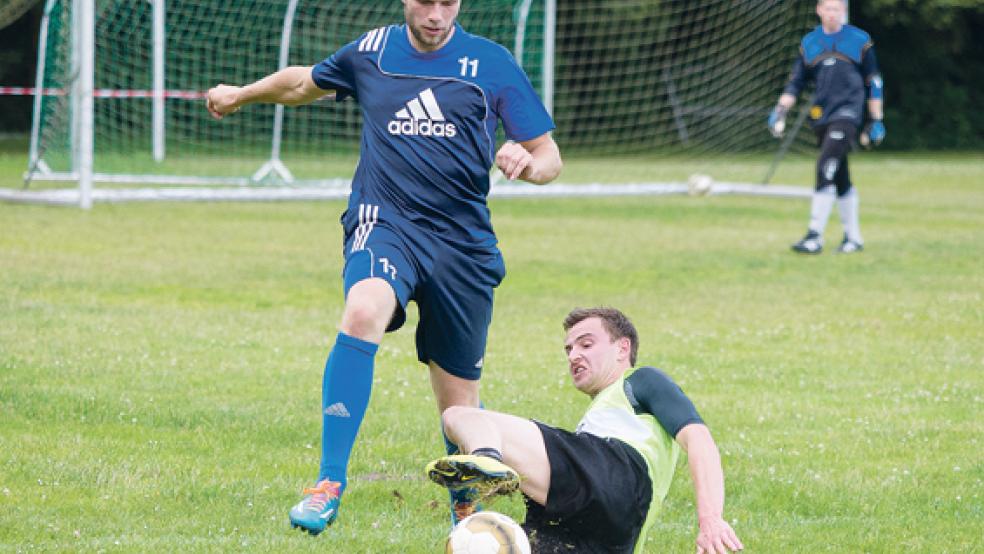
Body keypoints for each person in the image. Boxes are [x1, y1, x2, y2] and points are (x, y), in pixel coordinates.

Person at [205, 0, 563, 536]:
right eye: (426, 1)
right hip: (386, 221)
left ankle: (464, 513)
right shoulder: (372, 51)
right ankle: (327, 483)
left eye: (449, 2)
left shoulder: (491, 63)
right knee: (363, 309)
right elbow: (302, 84)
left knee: (457, 403)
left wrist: (526, 161)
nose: (437, 13)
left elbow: (549, 155)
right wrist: (240, 95)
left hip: (462, 245)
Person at [427, 307, 744, 554]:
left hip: (614, 473)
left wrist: (710, 517)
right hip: (612, 536)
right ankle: (486, 476)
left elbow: (699, 440)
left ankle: (487, 462)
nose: (573, 355)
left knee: (458, 415)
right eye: (568, 350)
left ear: (622, 348)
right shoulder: (596, 416)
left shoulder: (641, 380)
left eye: (586, 344)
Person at [768, 0, 884, 254]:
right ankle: (853, 239)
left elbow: (874, 81)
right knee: (841, 177)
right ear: (819, 10)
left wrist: (876, 119)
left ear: (843, 12)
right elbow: (795, 84)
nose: (833, 14)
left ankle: (814, 236)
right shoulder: (809, 43)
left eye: (837, 9)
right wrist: (780, 112)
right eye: (828, 9)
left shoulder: (859, 39)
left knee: (825, 166)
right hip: (822, 116)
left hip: (848, 114)